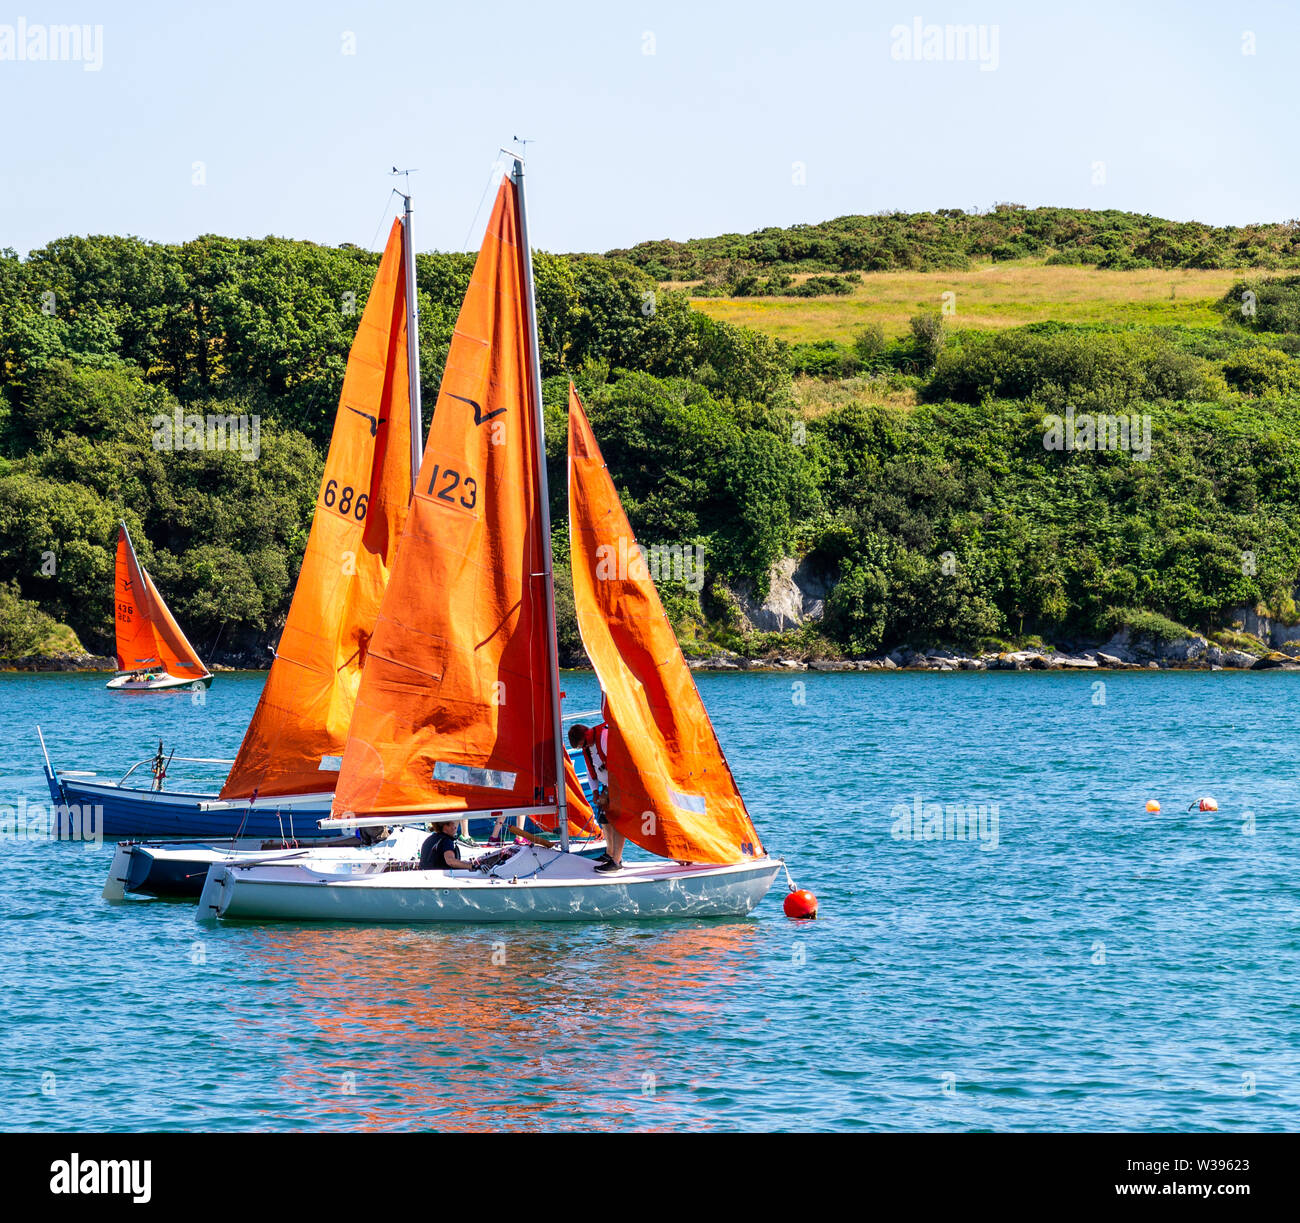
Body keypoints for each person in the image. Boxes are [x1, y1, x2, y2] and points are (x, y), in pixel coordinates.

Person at [568, 719, 624, 873]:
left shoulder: (604, 737)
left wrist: (609, 792)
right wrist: (595, 792)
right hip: (606, 786)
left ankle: (617, 860)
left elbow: (618, 764)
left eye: (584, 744)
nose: (584, 748)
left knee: (617, 821)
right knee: (604, 819)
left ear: (587, 735)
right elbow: (590, 771)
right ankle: (609, 853)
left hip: (618, 785)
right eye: (582, 747)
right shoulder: (588, 748)